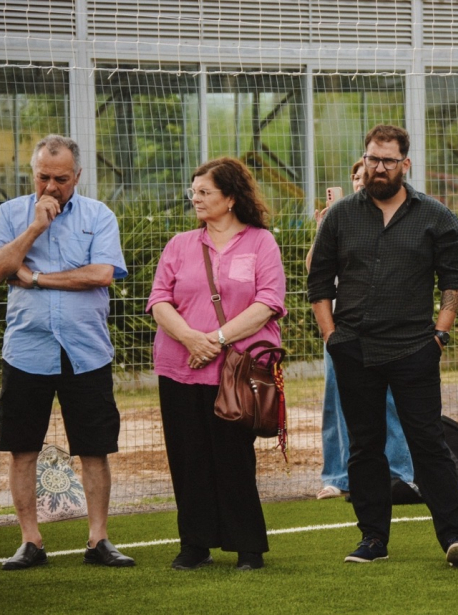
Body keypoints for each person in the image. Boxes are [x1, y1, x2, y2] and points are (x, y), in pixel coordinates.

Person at [307, 124, 458, 567]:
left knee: (428, 444)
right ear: (364, 160)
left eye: (387, 160)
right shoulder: (341, 216)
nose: (378, 168)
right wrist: (331, 337)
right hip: (353, 348)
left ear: (406, 163)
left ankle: (455, 537)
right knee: (364, 446)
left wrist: (440, 333)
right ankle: (373, 539)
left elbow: (453, 281)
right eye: (371, 159)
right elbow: (318, 281)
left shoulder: (435, 216)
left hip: (413, 349)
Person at [0, 134, 134, 570]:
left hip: (86, 351)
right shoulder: (10, 214)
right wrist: (35, 228)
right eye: (44, 177)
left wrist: (33, 278)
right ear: (34, 174)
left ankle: (98, 540)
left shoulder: (98, 215)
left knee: (94, 448)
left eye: (61, 179)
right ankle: (31, 541)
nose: (51, 187)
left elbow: (101, 273)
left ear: (78, 176)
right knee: (22, 449)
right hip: (27, 350)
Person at [146, 157, 286, 571]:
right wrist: (190, 338)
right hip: (179, 366)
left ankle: (248, 548)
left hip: (236, 371)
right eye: (194, 191)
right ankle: (195, 544)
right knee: (187, 458)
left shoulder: (262, 242)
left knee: (234, 458)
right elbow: (159, 301)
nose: (196, 198)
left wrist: (217, 340)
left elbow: (269, 302)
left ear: (229, 198)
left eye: (205, 191)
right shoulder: (179, 245)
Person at [306, 159, 415, 500]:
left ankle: (399, 473)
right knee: (336, 400)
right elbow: (314, 269)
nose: (359, 180)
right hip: (342, 329)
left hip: (388, 330)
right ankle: (338, 476)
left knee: (390, 401)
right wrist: (323, 228)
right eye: (354, 176)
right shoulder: (339, 218)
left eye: (363, 174)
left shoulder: (393, 217)